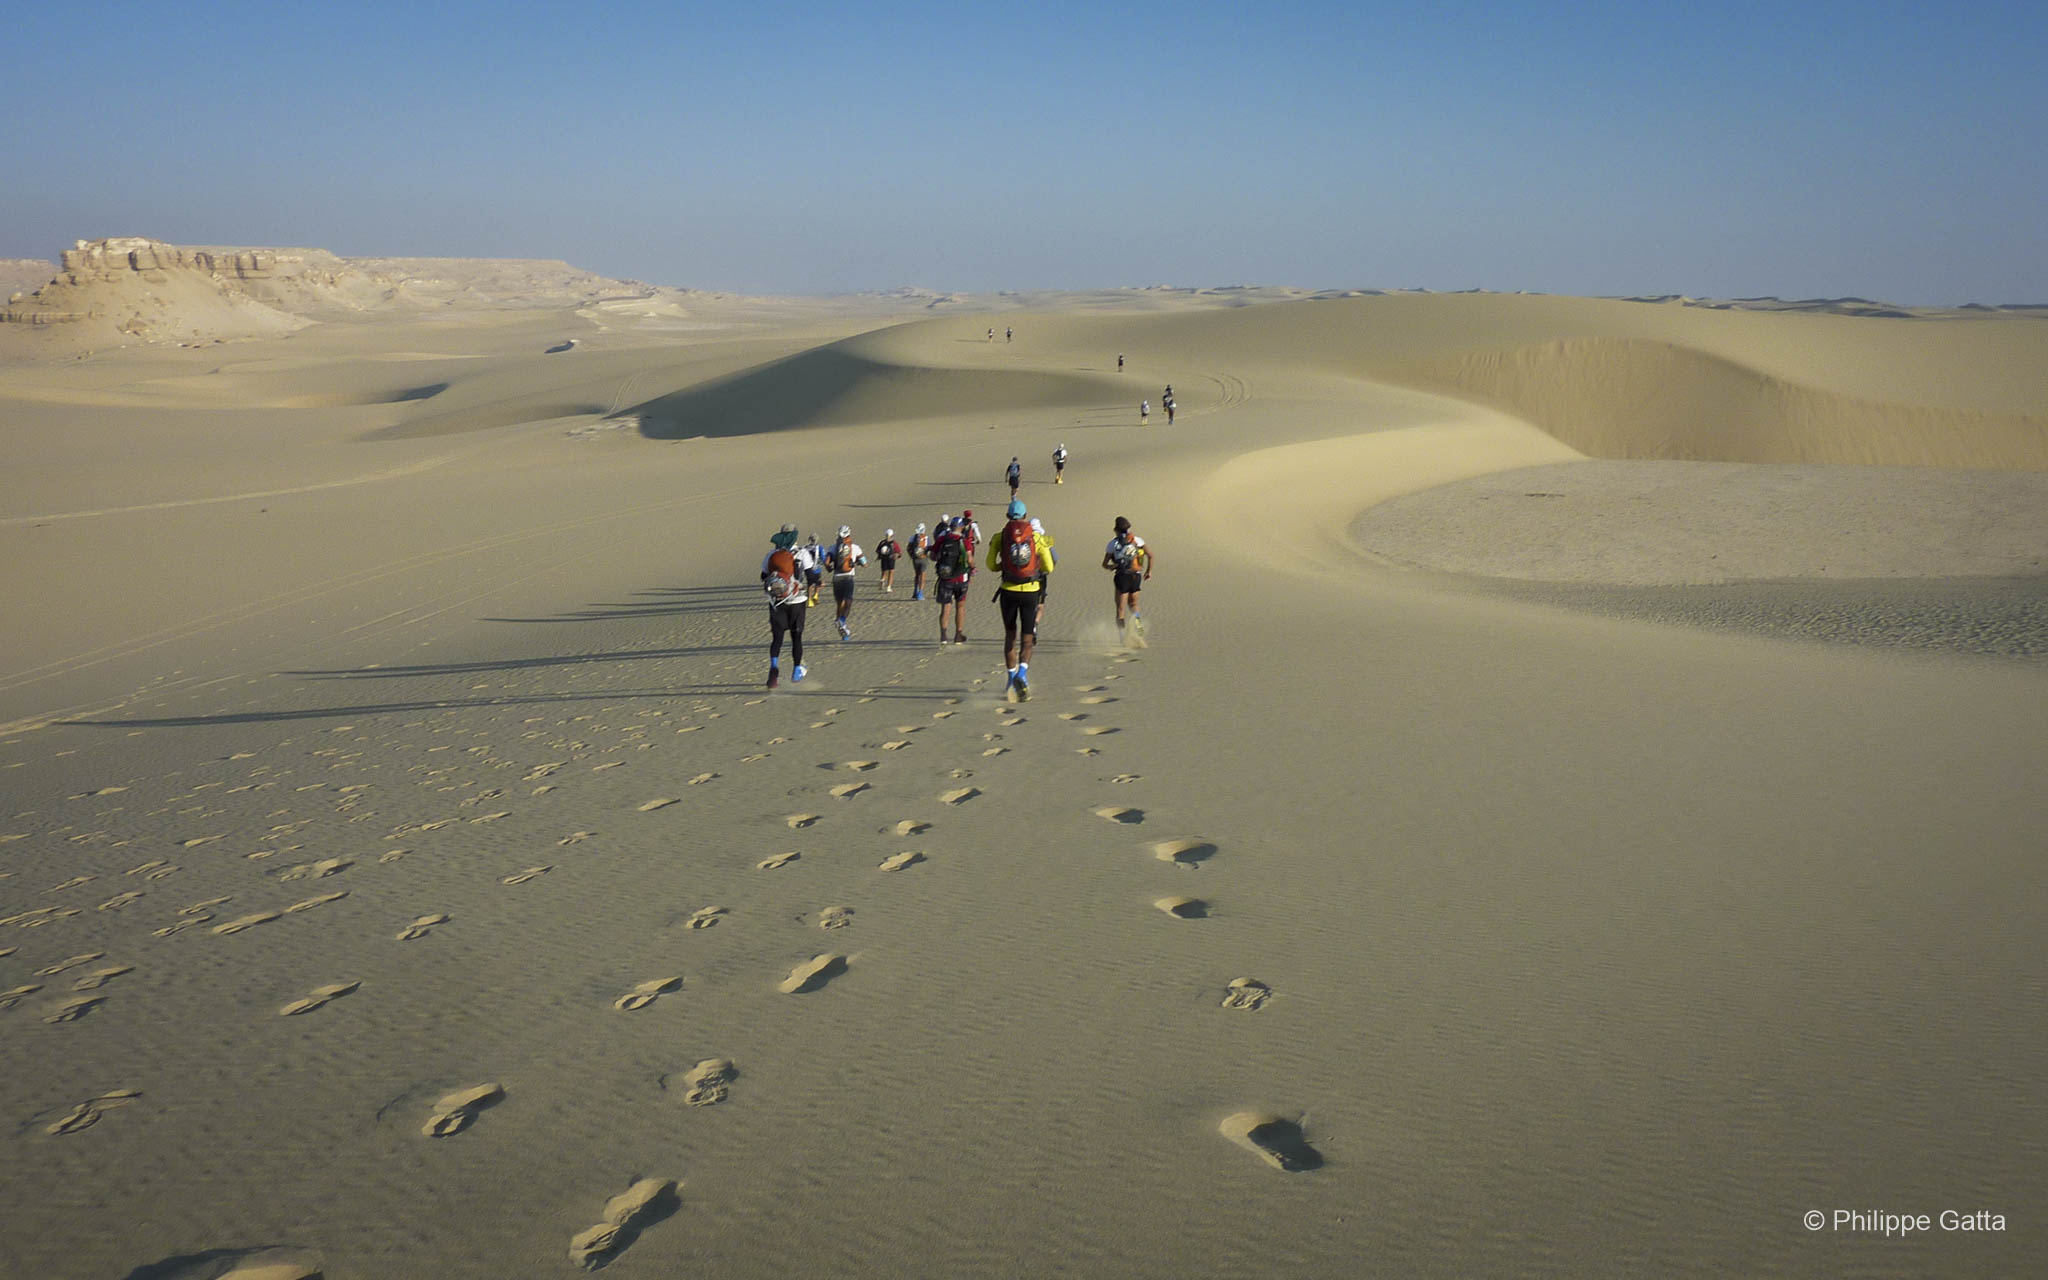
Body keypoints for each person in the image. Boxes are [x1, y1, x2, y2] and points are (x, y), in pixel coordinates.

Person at [988, 499, 1054, 699]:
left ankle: (1010, 680)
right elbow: (1049, 567)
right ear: (1025, 516)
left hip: (1008, 590)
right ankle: (1022, 675)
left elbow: (990, 565)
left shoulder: (1000, 537)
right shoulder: (1034, 537)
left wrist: (1004, 568)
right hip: (1031, 591)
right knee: (1027, 638)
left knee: (1010, 636)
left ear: (1008, 516)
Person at [759, 523, 812, 687]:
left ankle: (774, 668)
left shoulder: (771, 554)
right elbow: (812, 575)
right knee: (796, 637)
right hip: (797, 600)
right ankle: (797, 670)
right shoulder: (802, 553)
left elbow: (763, 576)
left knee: (777, 639)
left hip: (777, 602)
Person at [1102, 515, 1154, 644]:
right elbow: (1151, 555)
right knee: (1134, 605)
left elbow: (1104, 564)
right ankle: (1140, 631)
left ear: (1116, 529)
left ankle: (1122, 638)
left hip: (1122, 577)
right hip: (1136, 576)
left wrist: (1111, 567)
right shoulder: (1138, 541)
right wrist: (1148, 571)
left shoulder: (1113, 543)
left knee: (1120, 610)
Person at [930, 515, 973, 644]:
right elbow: (970, 560)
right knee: (960, 607)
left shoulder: (942, 539)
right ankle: (958, 635)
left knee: (945, 607)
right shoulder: (964, 541)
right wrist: (973, 567)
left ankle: (943, 636)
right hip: (961, 578)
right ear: (961, 528)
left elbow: (932, 556)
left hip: (946, 578)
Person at [825, 525, 865, 640]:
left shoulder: (833, 548)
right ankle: (842, 621)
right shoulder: (855, 547)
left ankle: (842, 629)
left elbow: (827, 562)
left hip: (836, 577)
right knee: (848, 601)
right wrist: (858, 563)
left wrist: (829, 568)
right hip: (848, 577)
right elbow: (864, 562)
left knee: (839, 603)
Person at [1029, 515, 1056, 628]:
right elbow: (1055, 558)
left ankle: (1029, 624)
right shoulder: (1044, 541)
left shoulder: (1023, 541)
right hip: (1040, 575)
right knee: (1040, 605)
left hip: (1025, 576)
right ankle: (1034, 624)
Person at [907, 521, 931, 600]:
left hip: (915, 558)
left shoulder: (912, 537)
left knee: (917, 574)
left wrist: (912, 555)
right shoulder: (927, 538)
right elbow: (929, 548)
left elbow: (908, 548)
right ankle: (920, 593)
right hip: (923, 558)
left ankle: (915, 590)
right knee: (922, 575)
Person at [875, 528, 901, 593]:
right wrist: (898, 556)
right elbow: (898, 551)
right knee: (891, 573)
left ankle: (882, 580)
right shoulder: (894, 543)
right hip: (891, 559)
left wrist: (879, 556)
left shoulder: (882, 542)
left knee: (884, 572)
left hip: (883, 559)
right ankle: (889, 587)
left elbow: (877, 550)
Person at [802, 533, 825, 606]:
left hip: (808, 568)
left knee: (810, 584)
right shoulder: (819, 547)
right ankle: (816, 595)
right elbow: (823, 557)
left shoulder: (805, 547)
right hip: (817, 568)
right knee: (818, 582)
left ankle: (809, 600)